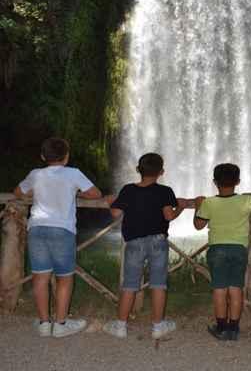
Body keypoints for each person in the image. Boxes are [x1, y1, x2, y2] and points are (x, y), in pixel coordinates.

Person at [14, 137, 102, 337]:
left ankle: (44, 324)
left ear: (43, 156)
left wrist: (35, 194)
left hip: (37, 228)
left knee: (40, 276)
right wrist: (74, 194)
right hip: (62, 230)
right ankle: (60, 325)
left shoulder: (35, 174)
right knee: (64, 278)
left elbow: (18, 192)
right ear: (67, 156)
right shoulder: (73, 174)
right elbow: (95, 194)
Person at [103, 153, 187, 340]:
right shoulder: (165, 191)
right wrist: (180, 207)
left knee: (130, 284)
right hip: (158, 241)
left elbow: (116, 213)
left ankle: (120, 325)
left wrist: (111, 202)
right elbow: (168, 216)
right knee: (158, 284)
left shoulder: (128, 190)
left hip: (134, 242)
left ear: (138, 170)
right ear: (161, 172)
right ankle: (158, 326)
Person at [194, 163, 251, 340]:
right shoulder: (246, 201)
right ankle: (233, 329)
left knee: (219, 289)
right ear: (238, 182)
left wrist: (197, 205)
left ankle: (221, 327)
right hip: (239, 249)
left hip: (216, 249)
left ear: (214, 182)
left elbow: (198, 225)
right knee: (236, 288)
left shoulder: (209, 202)